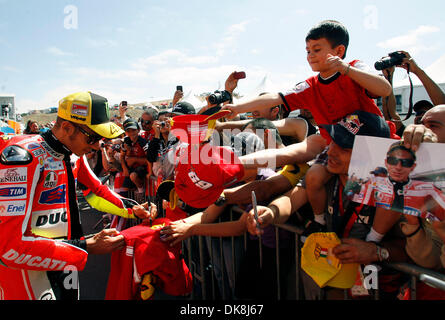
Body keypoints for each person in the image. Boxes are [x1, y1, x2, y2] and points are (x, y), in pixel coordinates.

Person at [223, 20, 391, 237]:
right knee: (312, 178)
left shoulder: (356, 68)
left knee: (386, 193)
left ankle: (375, 239)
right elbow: (276, 97)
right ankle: (319, 221)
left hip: (371, 146)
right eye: (308, 50)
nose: (310, 55)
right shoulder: (310, 85)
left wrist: (346, 69)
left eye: (317, 49)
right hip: (336, 148)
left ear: (339, 50)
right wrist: (237, 107)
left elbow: (385, 89)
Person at [0, 91, 154, 300]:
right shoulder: (22, 158)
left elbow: (96, 192)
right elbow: (7, 247)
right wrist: (86, 246)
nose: (97, 145)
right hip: (26, 271)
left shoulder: (72, 155)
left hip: (65, 261)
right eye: (92, 137)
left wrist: (131, 209)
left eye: (100, 138)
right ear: (66, 127)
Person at [244, 111, 409, 299]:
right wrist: (270, 213)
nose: (330, 151)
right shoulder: (327, 178)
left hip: (379, 291)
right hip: (334, 288)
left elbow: (413, 252)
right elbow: (291, 199)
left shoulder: (393, 194)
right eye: (332, 142)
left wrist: (377, 251)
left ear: (371, 155)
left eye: (345, 148)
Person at [121, 118, 151, 204]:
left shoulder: (142, 142)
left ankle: (142, 194)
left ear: (138, 130)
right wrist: (124, 168)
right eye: (128, 131)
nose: (131, 133)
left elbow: (149, 158)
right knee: (127, 188)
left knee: (133, 176)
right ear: (125, 132)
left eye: (133, 130)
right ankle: (134, 207)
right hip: (131, 169)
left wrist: (150, 173)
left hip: (142, 168)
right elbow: (122, 156)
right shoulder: (126, 141)